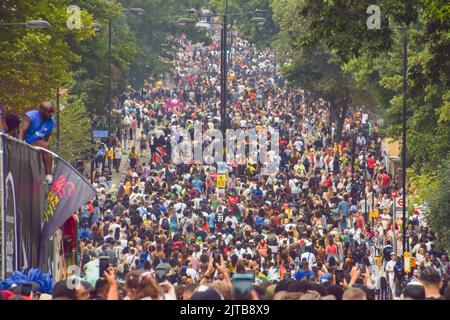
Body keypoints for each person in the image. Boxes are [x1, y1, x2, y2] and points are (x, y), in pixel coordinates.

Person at [18, 102, 56, 183]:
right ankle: (48, 174)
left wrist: (45, 152)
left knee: (46, 146)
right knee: (45, 145)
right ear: (42, 111)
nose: (51, 114)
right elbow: (23, 131)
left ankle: (48, 175)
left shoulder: (52, 122)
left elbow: (46, 138)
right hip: (27, 140)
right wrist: (19, 144)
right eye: (49, 112)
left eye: (52, 112)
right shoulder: (30, 116)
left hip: (38, 141)